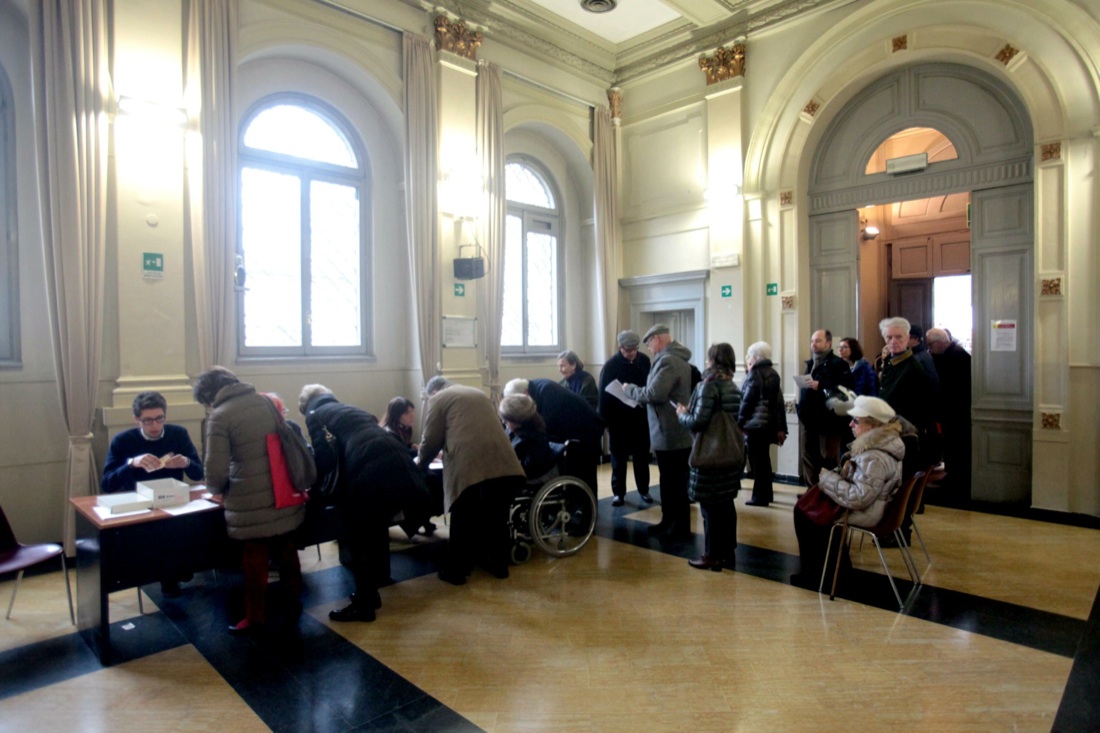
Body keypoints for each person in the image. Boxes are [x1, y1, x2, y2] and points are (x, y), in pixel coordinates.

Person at [300, 385, 433, 622]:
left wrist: (318, 491)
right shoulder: (348, 408)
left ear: (306, 404)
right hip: (396, 462)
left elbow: (325, 455)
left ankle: (364, 604)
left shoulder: (315, 415)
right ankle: (369, 595)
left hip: (370, 471)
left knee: (358, 538)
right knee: (371, 533)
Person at [193, 367, 305, 634]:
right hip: (282, 491)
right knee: (288, 553)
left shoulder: (219, 417)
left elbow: (216, 469)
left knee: (255, 561)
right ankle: (292, 605)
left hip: (249, 502)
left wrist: (215, 488)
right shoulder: (266, 400)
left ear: (210, 396)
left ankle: (255, 618)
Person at [417, 377, 526, 585]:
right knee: (497, 516)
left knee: (462, 517)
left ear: (433, 391)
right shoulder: (477, 393)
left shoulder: (438, 398)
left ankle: (456, 572)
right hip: (505, 463)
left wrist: (419, 467)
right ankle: (499, 566)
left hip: (471, 469)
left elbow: (430, 441)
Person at [791, 395, 905, 588]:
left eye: (856, 421)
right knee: (809, 510)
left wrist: (828, 480)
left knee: (805, 514)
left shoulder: (874, 456)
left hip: (868, 511)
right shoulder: (883, 444)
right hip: (875, 505)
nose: (851, 424)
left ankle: (817, 575)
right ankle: (833, 569)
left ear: (872, 425)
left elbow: (858, 498)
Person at [101, 391, 204, 597]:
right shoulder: (123, 440)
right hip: (141, 505)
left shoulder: (178, 434)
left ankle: (177, 571)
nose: (155, 426)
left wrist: (186, 462)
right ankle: (169, 576)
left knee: (195, 527)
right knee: (160, 535)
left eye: (159, 419)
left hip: (175, 501)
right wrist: (132, 464)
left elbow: (198, 473)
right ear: (137, 419)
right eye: (147, 420)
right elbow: (107, 484)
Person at [623, 323, 693, 541]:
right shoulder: (673, 358)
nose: (649, 348)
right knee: (670, 481)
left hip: (671, 432)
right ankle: (668, 521)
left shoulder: (669, 361)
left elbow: (656, 393)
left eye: (649, 343)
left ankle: (678, 526)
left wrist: (630, 390)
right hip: (670, 431)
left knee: (675, 483)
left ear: (657, 339)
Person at [676, 343, 743, 570]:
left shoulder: (708, 386)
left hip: (710, 455)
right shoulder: (732, 385)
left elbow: (698, 422)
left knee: (710, 509)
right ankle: (727, 552)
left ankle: (712, 554)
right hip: (731, 454)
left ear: (713, 360)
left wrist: (682, 414)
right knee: (726, 505)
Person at [503, 377, 603, 502]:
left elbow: (545, 424)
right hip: (571, 429)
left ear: (525, 393)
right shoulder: (533, 389)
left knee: (585, 472)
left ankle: (588, 507)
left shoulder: (547, 390)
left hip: (586, 428)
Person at [598, 330, 654, 507]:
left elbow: (651, 386)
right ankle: (618, 493)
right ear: (619, 347)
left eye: (634, 349)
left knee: (641, 456)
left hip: (640, 416)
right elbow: (603, 395)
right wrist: (605, 420)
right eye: (627, 350)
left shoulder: (644, 361)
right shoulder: (611, 366)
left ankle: (644, 490)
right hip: (618, 419)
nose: (631, 353)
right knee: (618, 458)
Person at [879, 317, 940, 470]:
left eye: (898, 337)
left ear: (907, 338)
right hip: (889, 433)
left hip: (905, 437)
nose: (893, 341)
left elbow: (920, 410)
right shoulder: (890, 362)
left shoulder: (914, 368)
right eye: (889, 337)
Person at [797, 329, 855, 487]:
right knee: (808, 457)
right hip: (809, 419)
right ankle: (812, 492)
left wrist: (821, 385)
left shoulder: (838, 364)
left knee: (828, 459)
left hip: (828, 422)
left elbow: (844, 390)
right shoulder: (810, 364)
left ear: (828, 343)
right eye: (812, 341)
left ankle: (829, 493)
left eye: (818, 340)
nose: (813, 344)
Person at [738, 342, 786, 507]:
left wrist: (739, 421)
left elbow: (747, 401)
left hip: (754, 424)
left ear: (756, 357)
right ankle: (767, 494)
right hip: (767, 425)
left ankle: (759, 497)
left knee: (757, 463)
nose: (748, 359)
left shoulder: (755, 374)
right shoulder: (773, 374)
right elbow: (778, 403)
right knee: (764, 461)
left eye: (749, 355)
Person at [926, 327, 971, 499]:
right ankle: (952, 475)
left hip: (957, 412)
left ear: (938, 343)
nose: (930, 349)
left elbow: (955, 387)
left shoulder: (958, 356)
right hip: (950, 411)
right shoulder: (951, 355)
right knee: (951, 446)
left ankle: (957, 479)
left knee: (957, 446)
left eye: (930, 345)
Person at [499, 394, 558, 481]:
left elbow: (530, 469)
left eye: (507, 421)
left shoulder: (534, 440)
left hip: (536, 474)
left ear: (518, 421)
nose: (503, 422)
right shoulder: (515, 429)